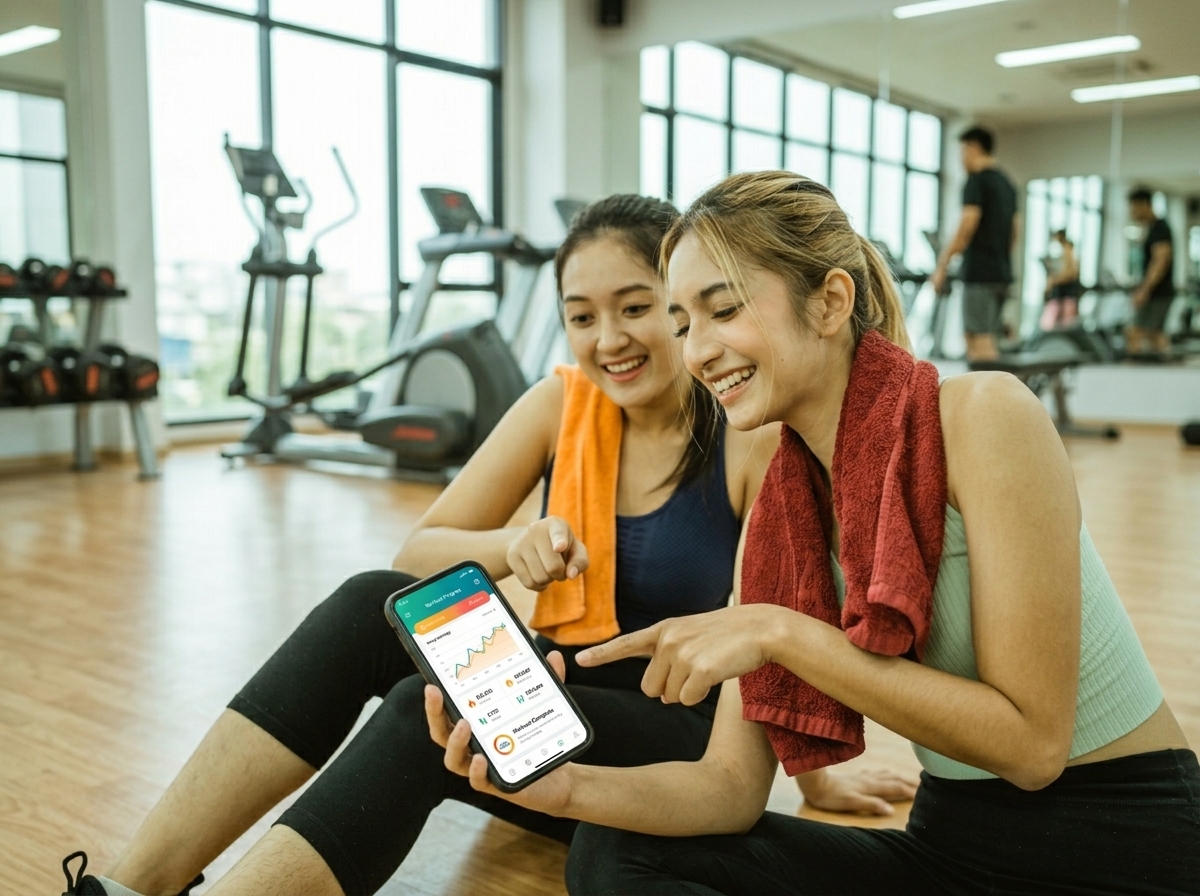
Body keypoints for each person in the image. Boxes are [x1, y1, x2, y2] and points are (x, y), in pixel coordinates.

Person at [62, 195, 915, 896]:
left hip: (678, 738)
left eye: (637, 308)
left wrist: (815, 773)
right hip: (566, 688)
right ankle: (132, 887)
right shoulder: (562, 404)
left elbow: (778, 620)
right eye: (582, 316)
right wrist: (516, 543)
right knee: (373, 601)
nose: (608, 338)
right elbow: (419, 549)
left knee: (420, 718)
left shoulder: (743, 434)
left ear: (684, 308)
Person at [429, 172, 1200, 896]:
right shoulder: (781, 513)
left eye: (722, 310)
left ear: (831, 301)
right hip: (952, 849)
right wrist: (563, 787)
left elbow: (1032, 748)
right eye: (683, 322)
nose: (696, 352)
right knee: (613, 846)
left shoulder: (983, 415)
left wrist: (780, 633)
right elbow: (727, 790)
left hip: (1121, 844)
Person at [931, 126, 1019, 361]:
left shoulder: (976, 181)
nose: (961, 157)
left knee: (978, 341)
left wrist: (942, 265)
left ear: (974, 147)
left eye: (962, 150)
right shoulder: (1007, 184)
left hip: (980, 274)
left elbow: (967, 225)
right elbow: (1015, 231)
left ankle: (991, 398)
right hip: (1001, 273)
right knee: (987, 337)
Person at [1126, 187, 1175, 355]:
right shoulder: (1155, 228)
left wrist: (1144, 290)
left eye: (1133, 208)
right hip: (1158, 292)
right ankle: (1170, 372)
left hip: (1157, 292)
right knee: (1155, 335)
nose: (1132, 213)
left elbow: (1161, 260)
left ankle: (1133, 375)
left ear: (1144, 205)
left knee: (1135, 333)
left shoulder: (1159, 228)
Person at [1040, 229, 1081, 330]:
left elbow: (1071, 273)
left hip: (1066, 293)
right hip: (1062, 293)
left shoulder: (1068, 250)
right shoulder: (1066, 251)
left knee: (1064, 325)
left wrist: (1055, 280)